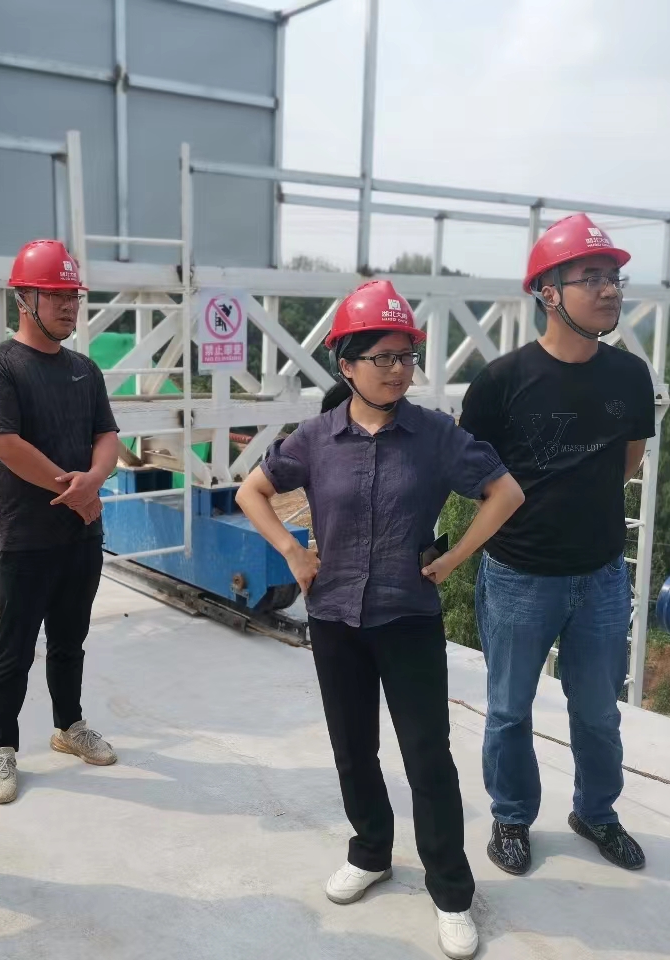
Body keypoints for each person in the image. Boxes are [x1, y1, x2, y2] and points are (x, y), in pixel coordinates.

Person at [235, 280, 525, 960]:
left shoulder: (435, 435)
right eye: (383, 357)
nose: (398, 370)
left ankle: (450, 892)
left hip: (408, 617)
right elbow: (252, 490)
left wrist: (454, 557)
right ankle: (370, 851)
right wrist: (292, 552)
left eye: (406, 356)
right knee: (352, 748)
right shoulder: (316, 439)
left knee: (428, 758)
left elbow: (505, 491)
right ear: (347, 364)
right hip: (334, 617)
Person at [459, 213, 656, 877]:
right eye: (591, 277)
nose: (610, 289)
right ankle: (512, 816)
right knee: (509, 710)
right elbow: (474, 476)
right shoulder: (501, 381)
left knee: (598, 712)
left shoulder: (629, 376)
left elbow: (628, 458)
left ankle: (596, 813)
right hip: (520, 575)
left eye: (614, 278)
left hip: (600, 576)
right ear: (548, 292)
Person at [0, 238, 122, 805]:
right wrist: (75, 492)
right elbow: (5, 444)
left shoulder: (85, 369)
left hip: (81, 536)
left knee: (70, 639)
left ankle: (68, 725)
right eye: (55, 295)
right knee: (13, 647)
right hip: (26, 539)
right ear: (23, 299)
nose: (67, 306)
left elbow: (106, 435)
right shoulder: (0, 366)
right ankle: (1, 748)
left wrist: (94, 481)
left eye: (72, 296)